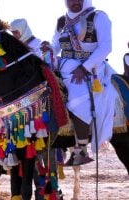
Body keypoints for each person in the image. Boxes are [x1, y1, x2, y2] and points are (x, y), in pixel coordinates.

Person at [47, 0, 118, 166]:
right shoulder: (61, 21)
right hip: (63, 65)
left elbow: (106, 47)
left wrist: (85, 68)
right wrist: (48, 49)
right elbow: (55, 46)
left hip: (92, 68)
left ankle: (80, 148)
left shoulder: (99, 17)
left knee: (77, 97)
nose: (75, 2)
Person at [10, 19, 62, 200]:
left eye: (16, 32)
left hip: (39, 97)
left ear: (24, 30)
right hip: (21, 102)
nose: (15, 35)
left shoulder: (38, 45)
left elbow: (45, 67)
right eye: (13, 32)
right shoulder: (14, 49)